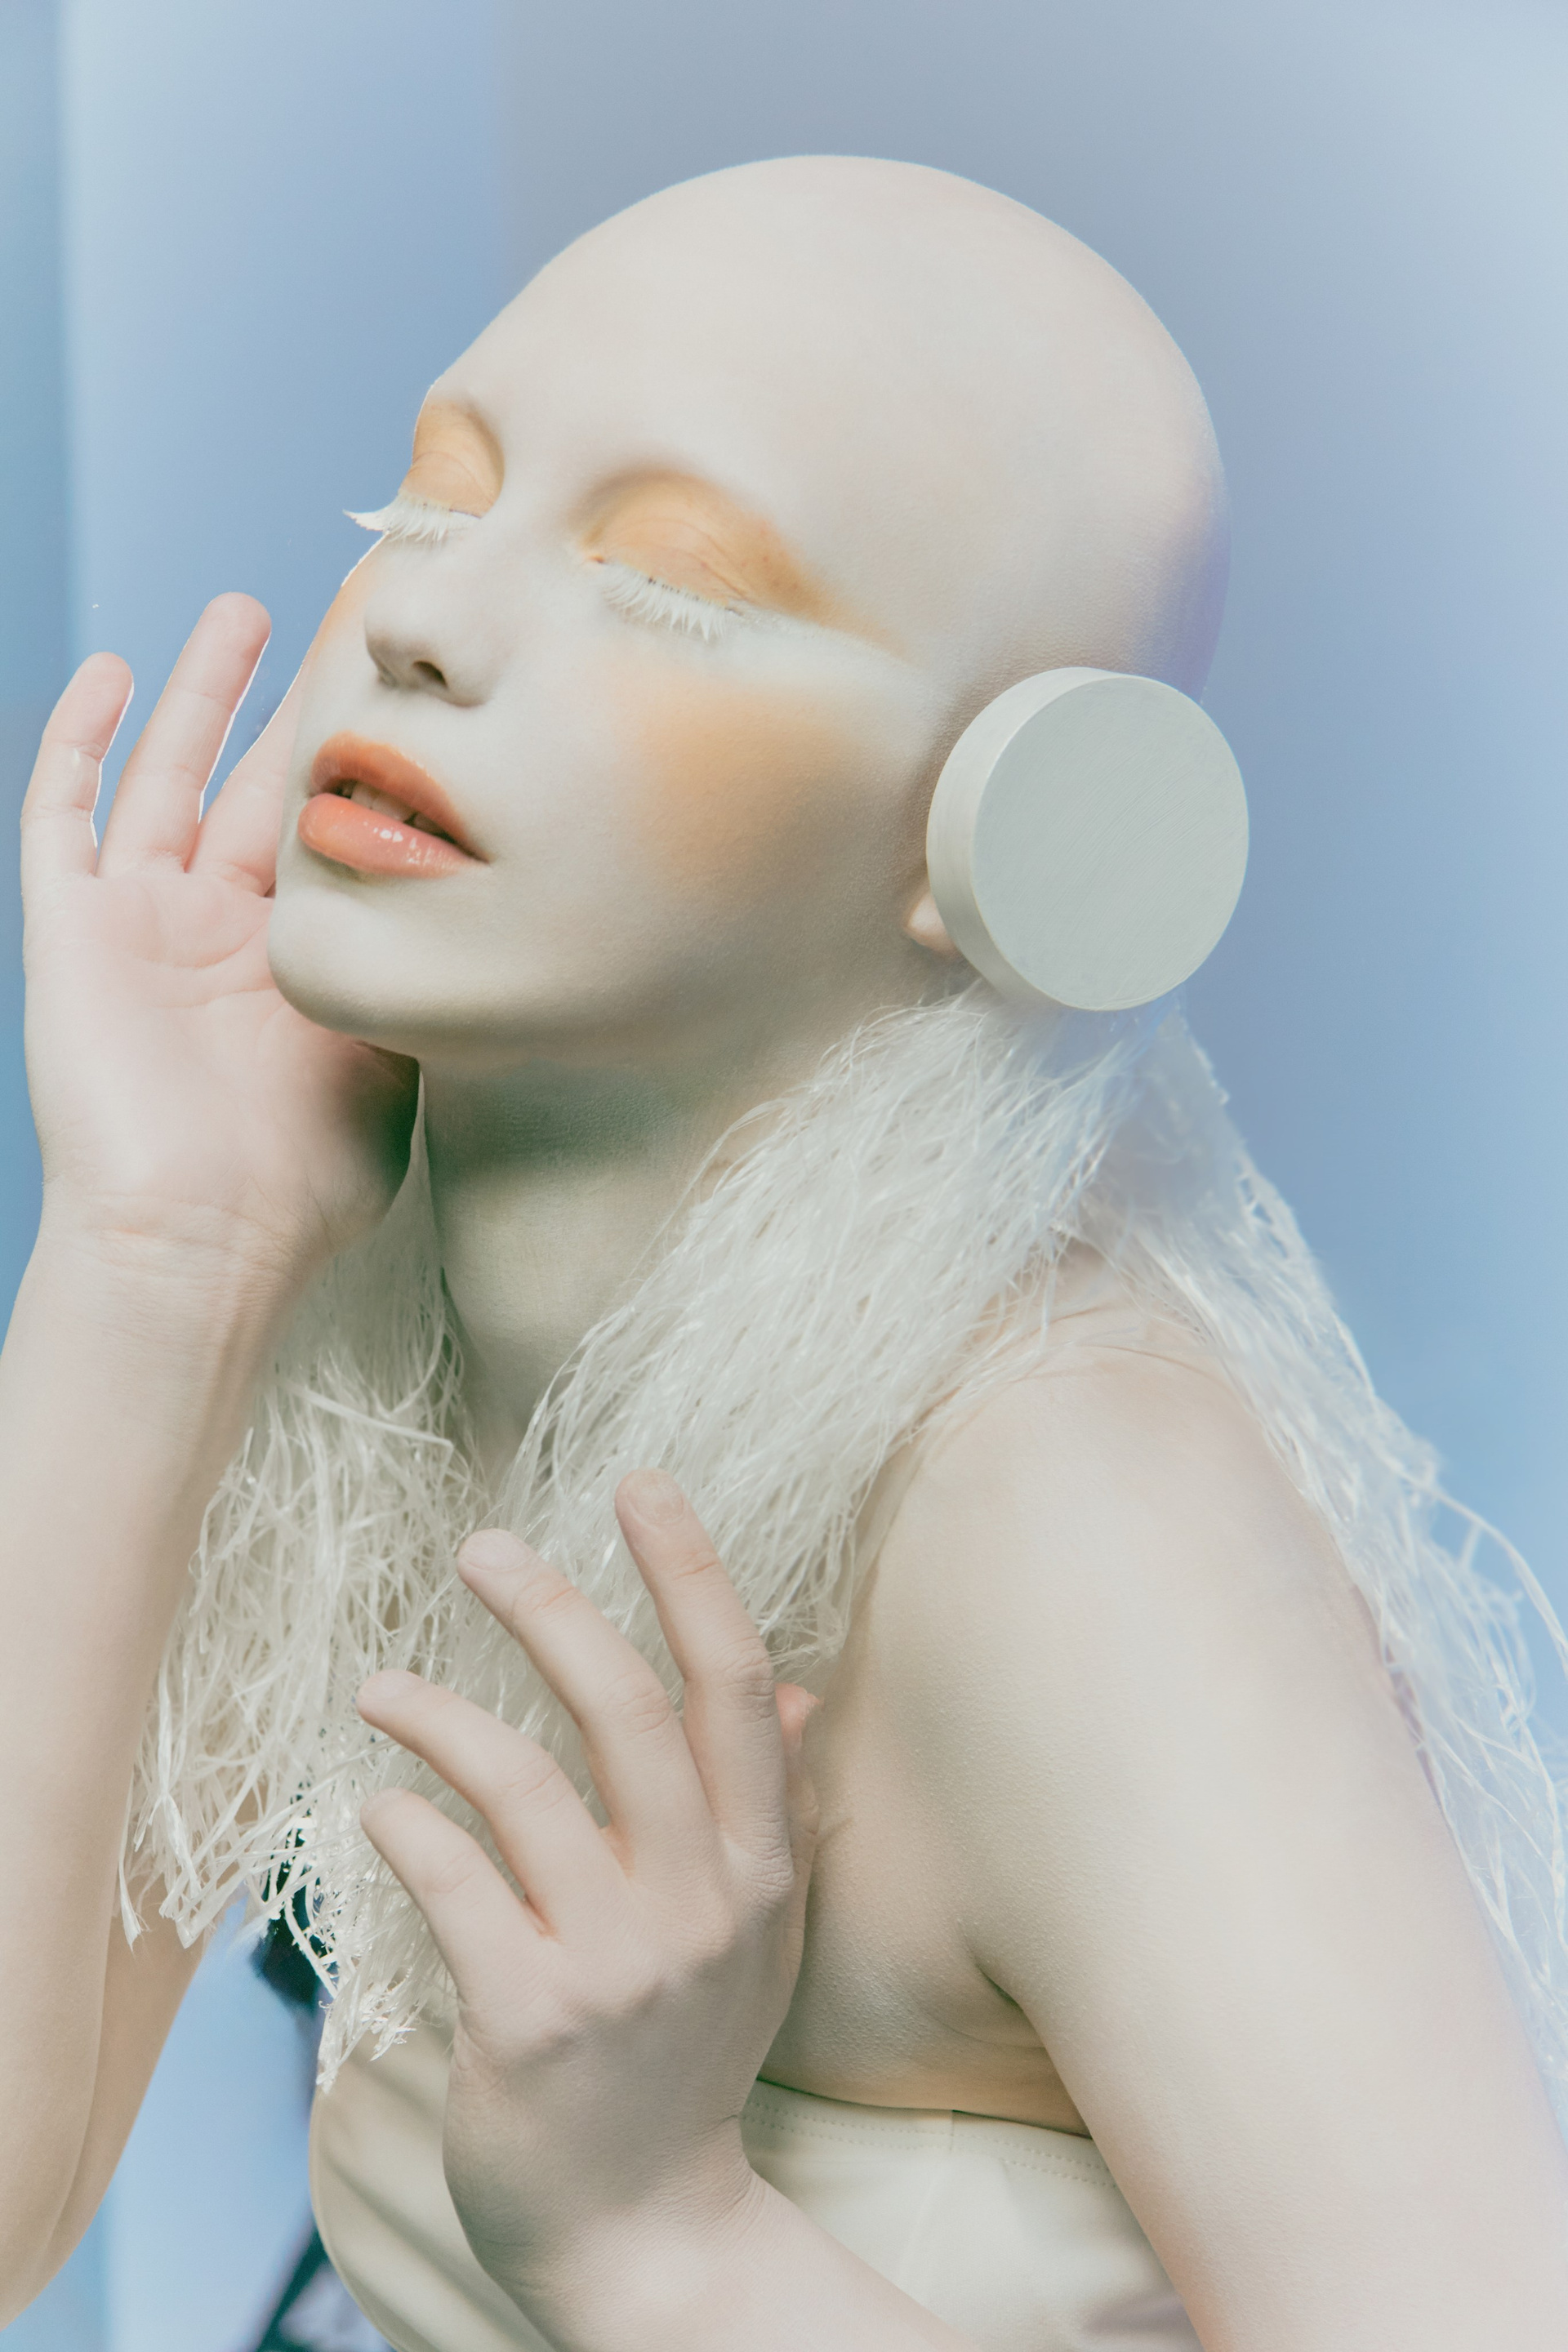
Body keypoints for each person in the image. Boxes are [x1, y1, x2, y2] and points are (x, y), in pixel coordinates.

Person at [4, 155, 1567, 2352]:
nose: (427, 621)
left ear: (1028, 817)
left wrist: (662, 2245)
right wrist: (160, 1250)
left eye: (674, 584)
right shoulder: (365, 1301)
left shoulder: (1070, 1509)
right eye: (428, 502)